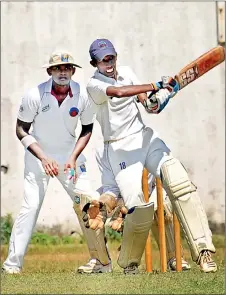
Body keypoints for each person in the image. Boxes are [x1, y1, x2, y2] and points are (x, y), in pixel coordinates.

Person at [82, 38, 217, 274]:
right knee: (139, 208)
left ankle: (204, 251)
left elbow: (148, 106)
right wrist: (155, 84)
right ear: (95, 63)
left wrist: (161, 98)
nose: (109, 63)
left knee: (180, 182)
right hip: (118, 147)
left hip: (144, 138)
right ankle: (130, 263)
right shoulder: (94, 85)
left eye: (111, 57)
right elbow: (120, 92)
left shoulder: (127, 72)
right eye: (104, 60)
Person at [2, 51, 105, 274]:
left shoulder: (82, 95)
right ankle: (12, 265)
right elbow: (21, 129)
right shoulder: (35, 95)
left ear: (73, 71)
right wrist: (43, 157)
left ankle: (101, 263)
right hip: (39, 156)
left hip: (70, 157)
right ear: (50, 71)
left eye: (67, 68)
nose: (62, 72)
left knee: (89, 205)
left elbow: (87, 129)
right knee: (30, 208)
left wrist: (73, 157)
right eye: (58, 68)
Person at [77, 169, 191, 274]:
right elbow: (110, 188)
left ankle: (173, 257)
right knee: (86, 203)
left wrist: (149, 207)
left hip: (151, 191)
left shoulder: (148, 148)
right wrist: (111, 204)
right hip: (121, 196)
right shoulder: (105, 149)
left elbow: (163, 176)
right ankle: (101, 262)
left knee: (162, 205)